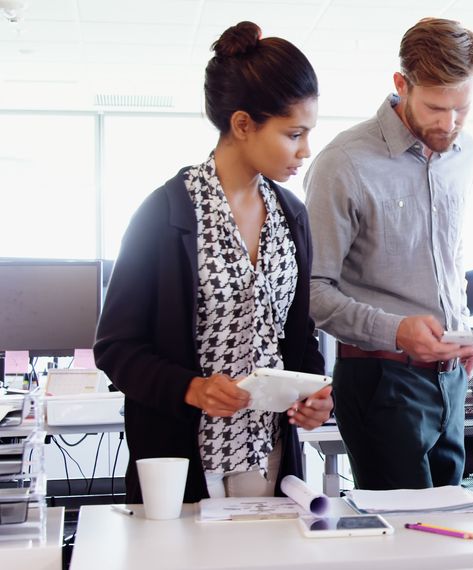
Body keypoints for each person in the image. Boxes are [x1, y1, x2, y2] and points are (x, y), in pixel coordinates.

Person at [94, 21, 333, 503]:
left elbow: (297, 332)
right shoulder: (164, 214)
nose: (305, 151)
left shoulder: (292, 215)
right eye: (293, 134)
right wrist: (193, 388)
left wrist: (315, 395)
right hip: (181, 458)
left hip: (267, 452)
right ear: (243, 124)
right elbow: (116, 348)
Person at [304, 18, 473, 490]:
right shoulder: (343, 162)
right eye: (435, 107)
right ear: (401, 85)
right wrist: (396, 330)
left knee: (449, 529)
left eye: (461, 109)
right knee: (405, 542)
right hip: (379, 378)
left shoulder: (465, 155)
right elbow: (312, 291)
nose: (449, 123)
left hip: (450, 380)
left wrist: (460, 330)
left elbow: (450, 258)